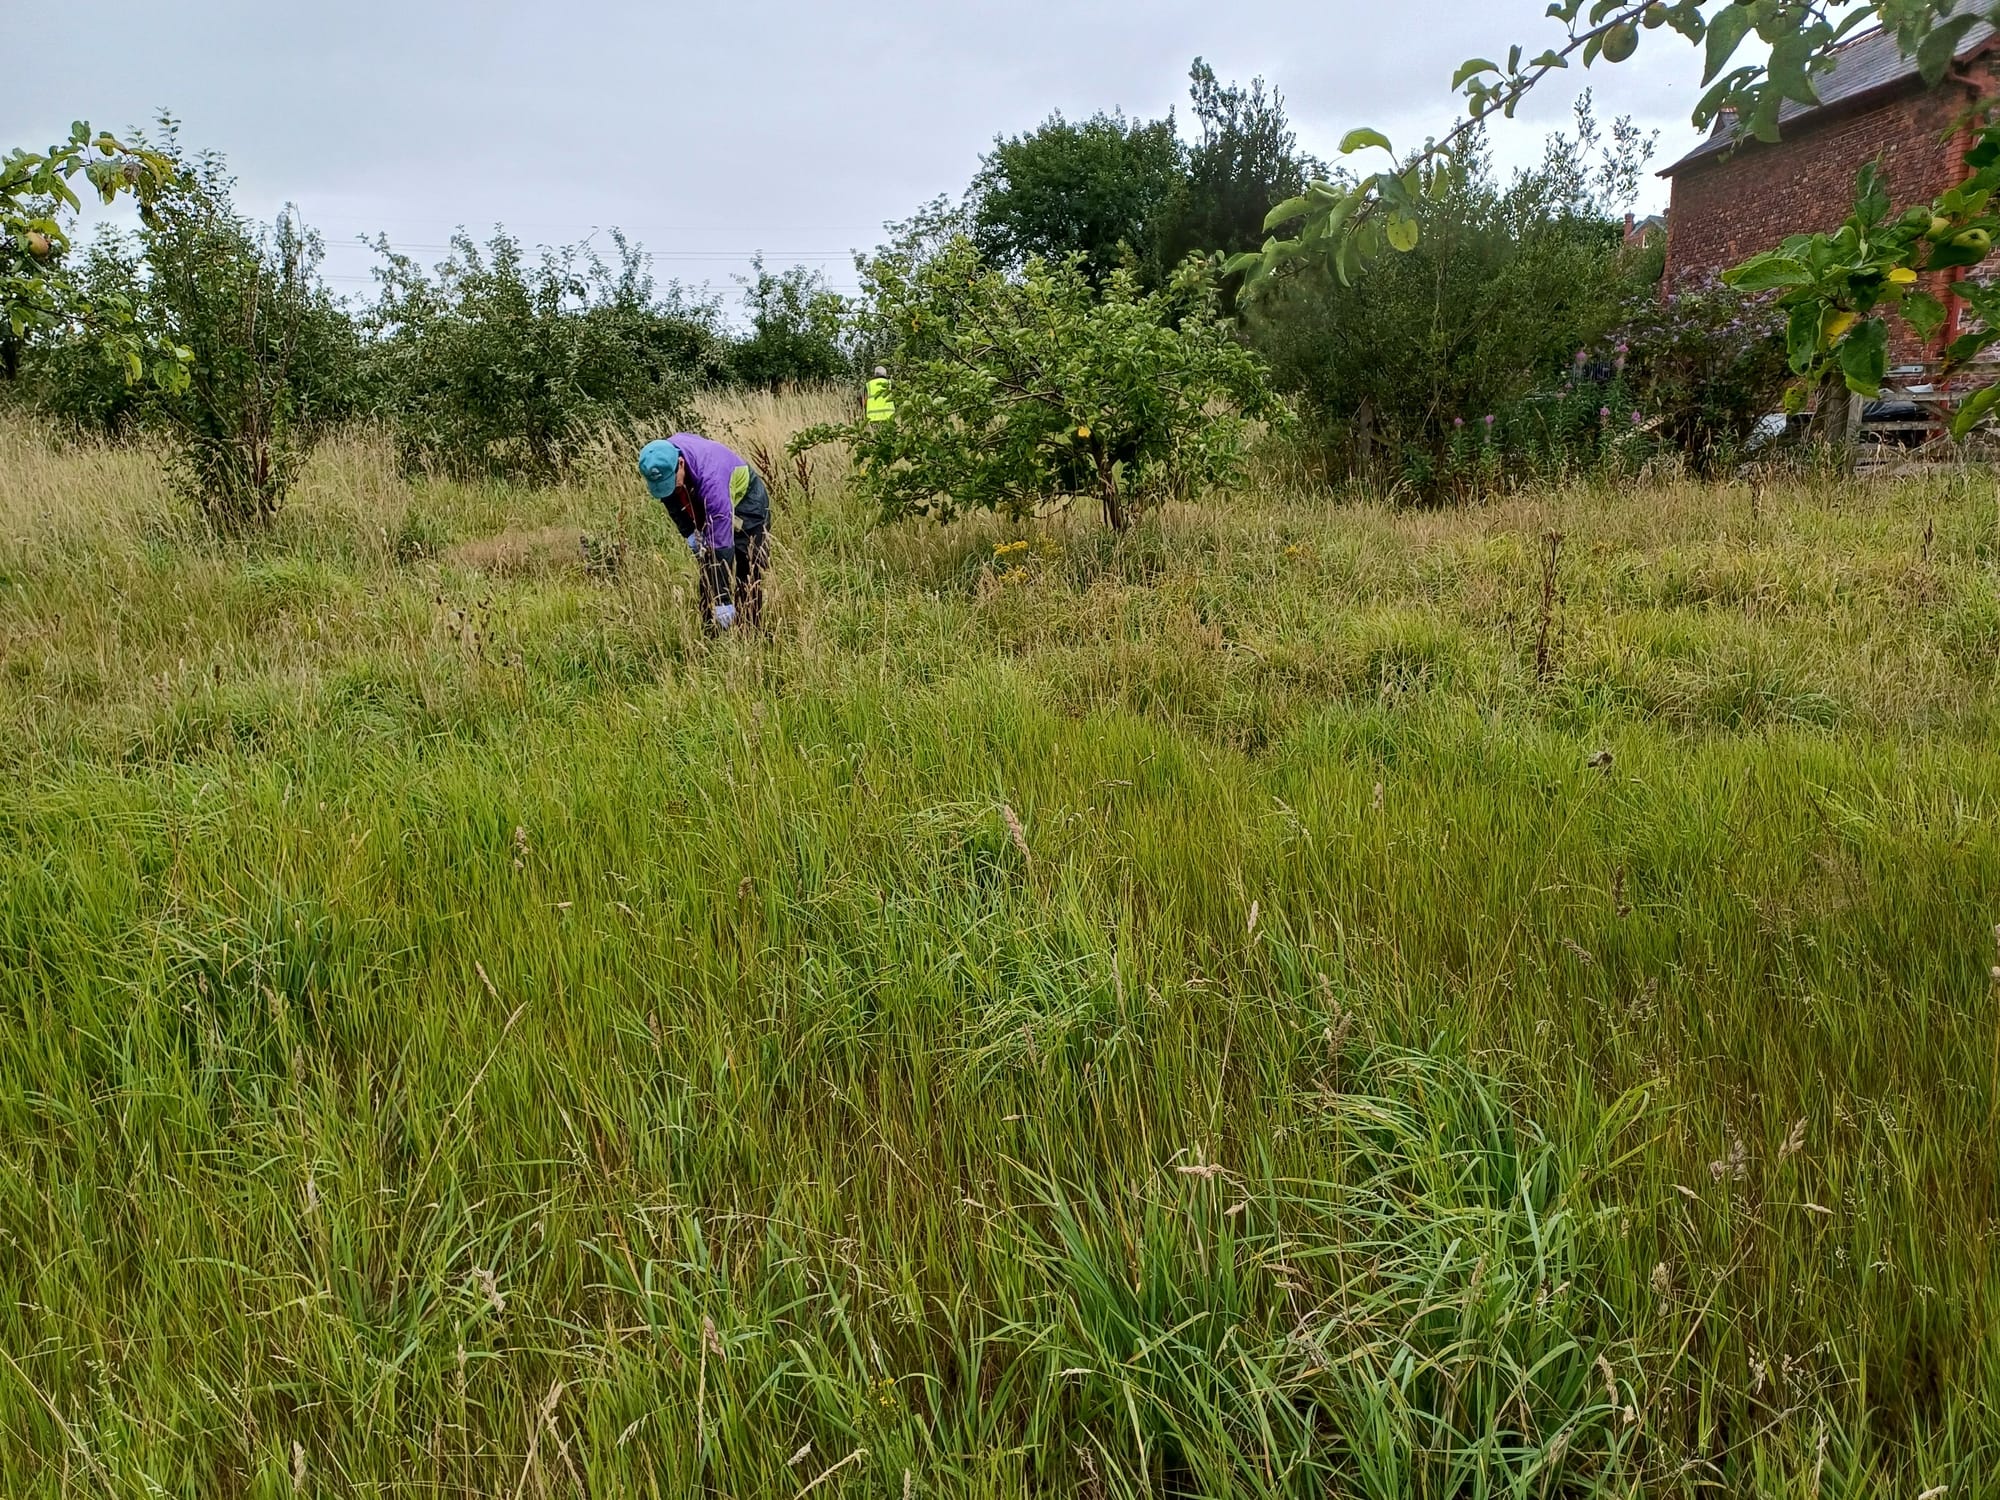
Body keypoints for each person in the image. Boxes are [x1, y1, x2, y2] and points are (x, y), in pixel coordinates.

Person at [637, 434, 771, 631]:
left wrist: (723, 600)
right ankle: (713, 633)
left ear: (680, 464)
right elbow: (670, 499)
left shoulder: (712, 481)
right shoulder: (660, 458)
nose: (667, 490)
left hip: (747, 502)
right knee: (708, 562)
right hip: (702, 491)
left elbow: (721, 545)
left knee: (748, 563)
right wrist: (690, 533)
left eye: (670, 483)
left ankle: (749, 630)